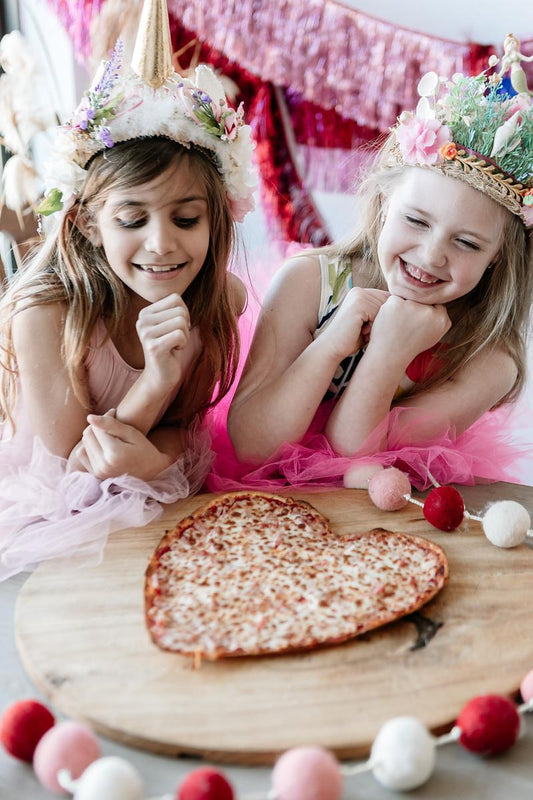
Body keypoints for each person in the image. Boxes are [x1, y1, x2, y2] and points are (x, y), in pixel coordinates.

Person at [0, 0, 256, 579]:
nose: (161, 244)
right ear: (89, 223)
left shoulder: (220, 300)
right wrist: (158, 379)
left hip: (156, 498)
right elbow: (71, 471)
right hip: (55, 516)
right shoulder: (44, 314)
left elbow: (184, 433)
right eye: (132, 219)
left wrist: (154, 461)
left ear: (216, 219)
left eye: (186, 219)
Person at [208, 50, 533, 493]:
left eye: (467, 243)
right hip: (260, 500)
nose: (431, 256)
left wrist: (389, 350)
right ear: (383, 205)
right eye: (416, 221)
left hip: (380, 516)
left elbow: (351, 452)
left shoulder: (490, 359)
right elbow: (251, 447)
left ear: (498, 255)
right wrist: (331, 342)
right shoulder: (309, 283)